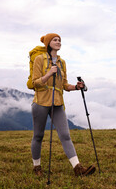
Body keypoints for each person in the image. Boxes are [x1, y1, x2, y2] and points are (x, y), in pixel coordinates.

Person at [31, 33, 96, 177]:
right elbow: (34, 83)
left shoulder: (62, 62)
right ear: (48, 43)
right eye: (55, 40)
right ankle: (37, 168)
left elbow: (64, 85)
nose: (58, 42)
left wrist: (76, 87)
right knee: (38, 136)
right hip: (41, 102)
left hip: (58, 104)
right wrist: (48, 74)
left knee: (65, 135)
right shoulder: (39, 59)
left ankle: (78, 168)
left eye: (59, 40)